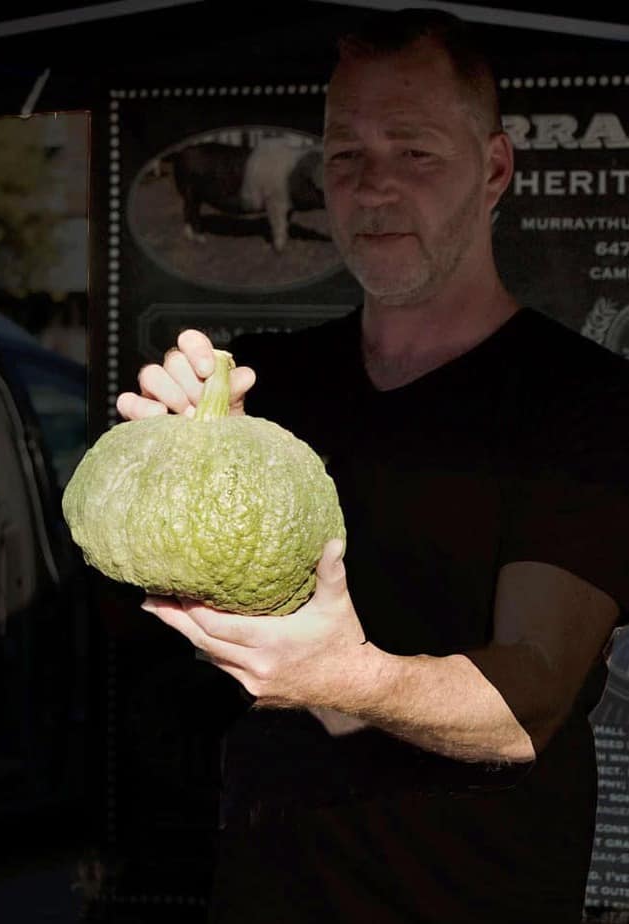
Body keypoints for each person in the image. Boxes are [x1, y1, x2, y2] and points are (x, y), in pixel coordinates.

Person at [116, 8, 629, 923]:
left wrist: (340, 674)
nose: (372, 187)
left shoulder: (584, 401)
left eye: (415, 152)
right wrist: (171, 472)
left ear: (495, 170)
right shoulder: (270, 391)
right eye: (345, 155)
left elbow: (530, 702)